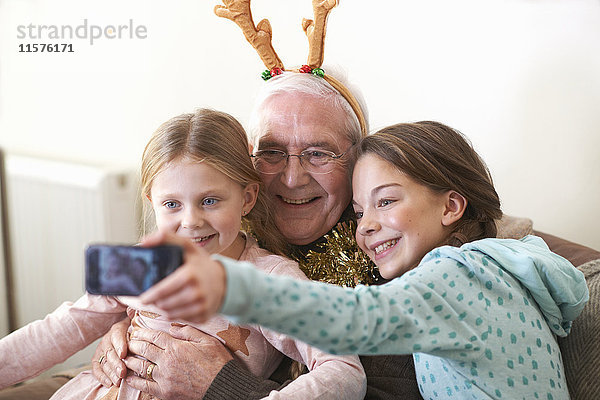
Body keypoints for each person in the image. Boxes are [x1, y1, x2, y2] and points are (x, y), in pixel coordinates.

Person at [139, 121, 590, 400]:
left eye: (386, 202)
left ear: (451, 207)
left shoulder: (457, 274)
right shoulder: (500, 269)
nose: (366, 227)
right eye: (358, 212)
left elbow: (354, 320)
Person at [92, 72, 421, 399]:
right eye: (272, 153)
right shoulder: (220, 233)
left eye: (319, 153)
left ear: (356, 162)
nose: (292, 178)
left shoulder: (386, 266)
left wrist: (222, 385)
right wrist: (131, 333)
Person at [0, 108, 366, 400]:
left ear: (247, 198)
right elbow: (60, 328)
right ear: (152, 204)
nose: (191, 221)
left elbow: (344, 370)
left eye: (210, 200)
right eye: (172, 204)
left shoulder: (270, 280)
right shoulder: (139, 261)